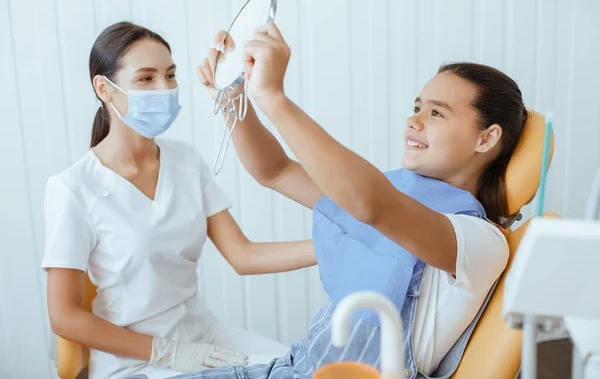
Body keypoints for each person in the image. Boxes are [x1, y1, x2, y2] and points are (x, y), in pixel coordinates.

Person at [150, 21, 528, 379]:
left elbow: (372, 206)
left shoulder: (479, 241)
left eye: (436, 113)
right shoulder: (392, 196)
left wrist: (274, 98)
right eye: (416, 108)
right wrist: (234, 97)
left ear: (486, 139)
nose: (414, 121)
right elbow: (275, 170)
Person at [41, 21, 317, 379]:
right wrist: (166, 353)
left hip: (204, 340)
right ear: (104, 89)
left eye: (170, 76)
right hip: (135, 361)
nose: (164, 88)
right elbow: (64, 317)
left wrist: (332, 244)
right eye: (146, 79)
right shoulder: (73, 189)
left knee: (307, 371)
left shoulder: (185, 161)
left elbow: (243, 255)